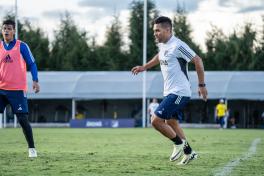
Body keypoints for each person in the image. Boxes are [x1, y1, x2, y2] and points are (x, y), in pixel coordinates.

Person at [131, 16, 208, 165]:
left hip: (180, 91)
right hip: (170, 91)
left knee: (155, 121)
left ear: (168, 30)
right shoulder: (163, 45)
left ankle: (178, 144)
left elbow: (197, 60)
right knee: (171, 122)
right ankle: (189, 152)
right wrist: (144, 67)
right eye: (154, 31)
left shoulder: (178, 45)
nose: (155, 33)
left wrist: (202, 85)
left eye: (157, 30)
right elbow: (159, 57)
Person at [0, 19, 40, 157]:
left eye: (9, 28)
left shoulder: (22, 46)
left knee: (23, 120)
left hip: (17, 90)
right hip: (1, 89)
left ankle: (32, 149)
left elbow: (32, 64)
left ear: (14, 31)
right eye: (4, 28)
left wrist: (35, 80)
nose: (6, 31)